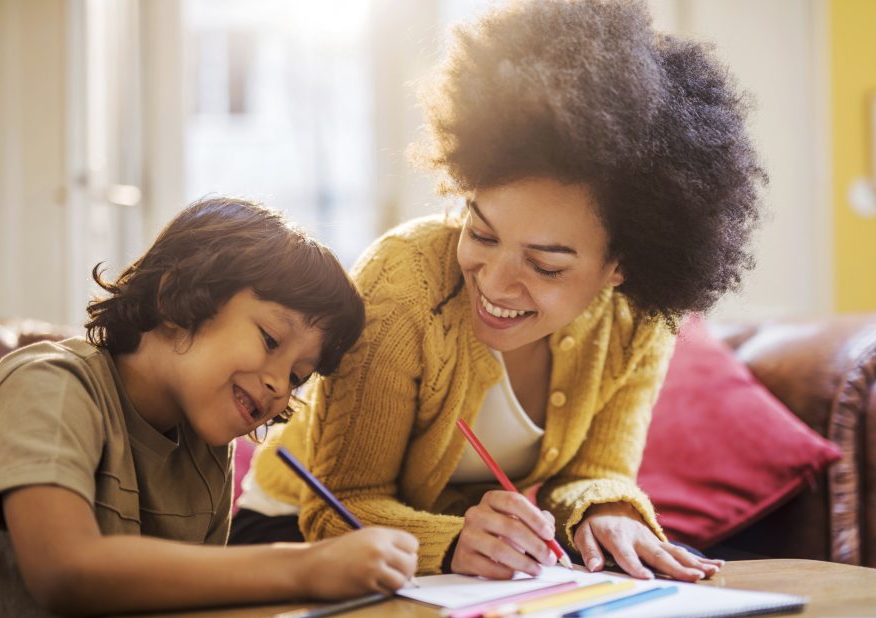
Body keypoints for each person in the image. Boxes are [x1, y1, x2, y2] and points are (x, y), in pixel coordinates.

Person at [234, 0, 764, 582]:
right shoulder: (403, 287)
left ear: (621, 267)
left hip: (462, 563)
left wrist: (607, 509)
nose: (493, 279)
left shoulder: (634, 320)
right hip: (297, 532)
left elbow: (594, 471)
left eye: (546, 265)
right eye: (481, 232)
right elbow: (341, 506)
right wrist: (455, 539)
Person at [0, 197, 418, 618]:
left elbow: (189, 597)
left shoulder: (206, 449)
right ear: (176, 299)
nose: (278, 385)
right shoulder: (52, 384)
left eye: (297, 375)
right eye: (270, 340)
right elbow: (66, 572)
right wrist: (306, 566)